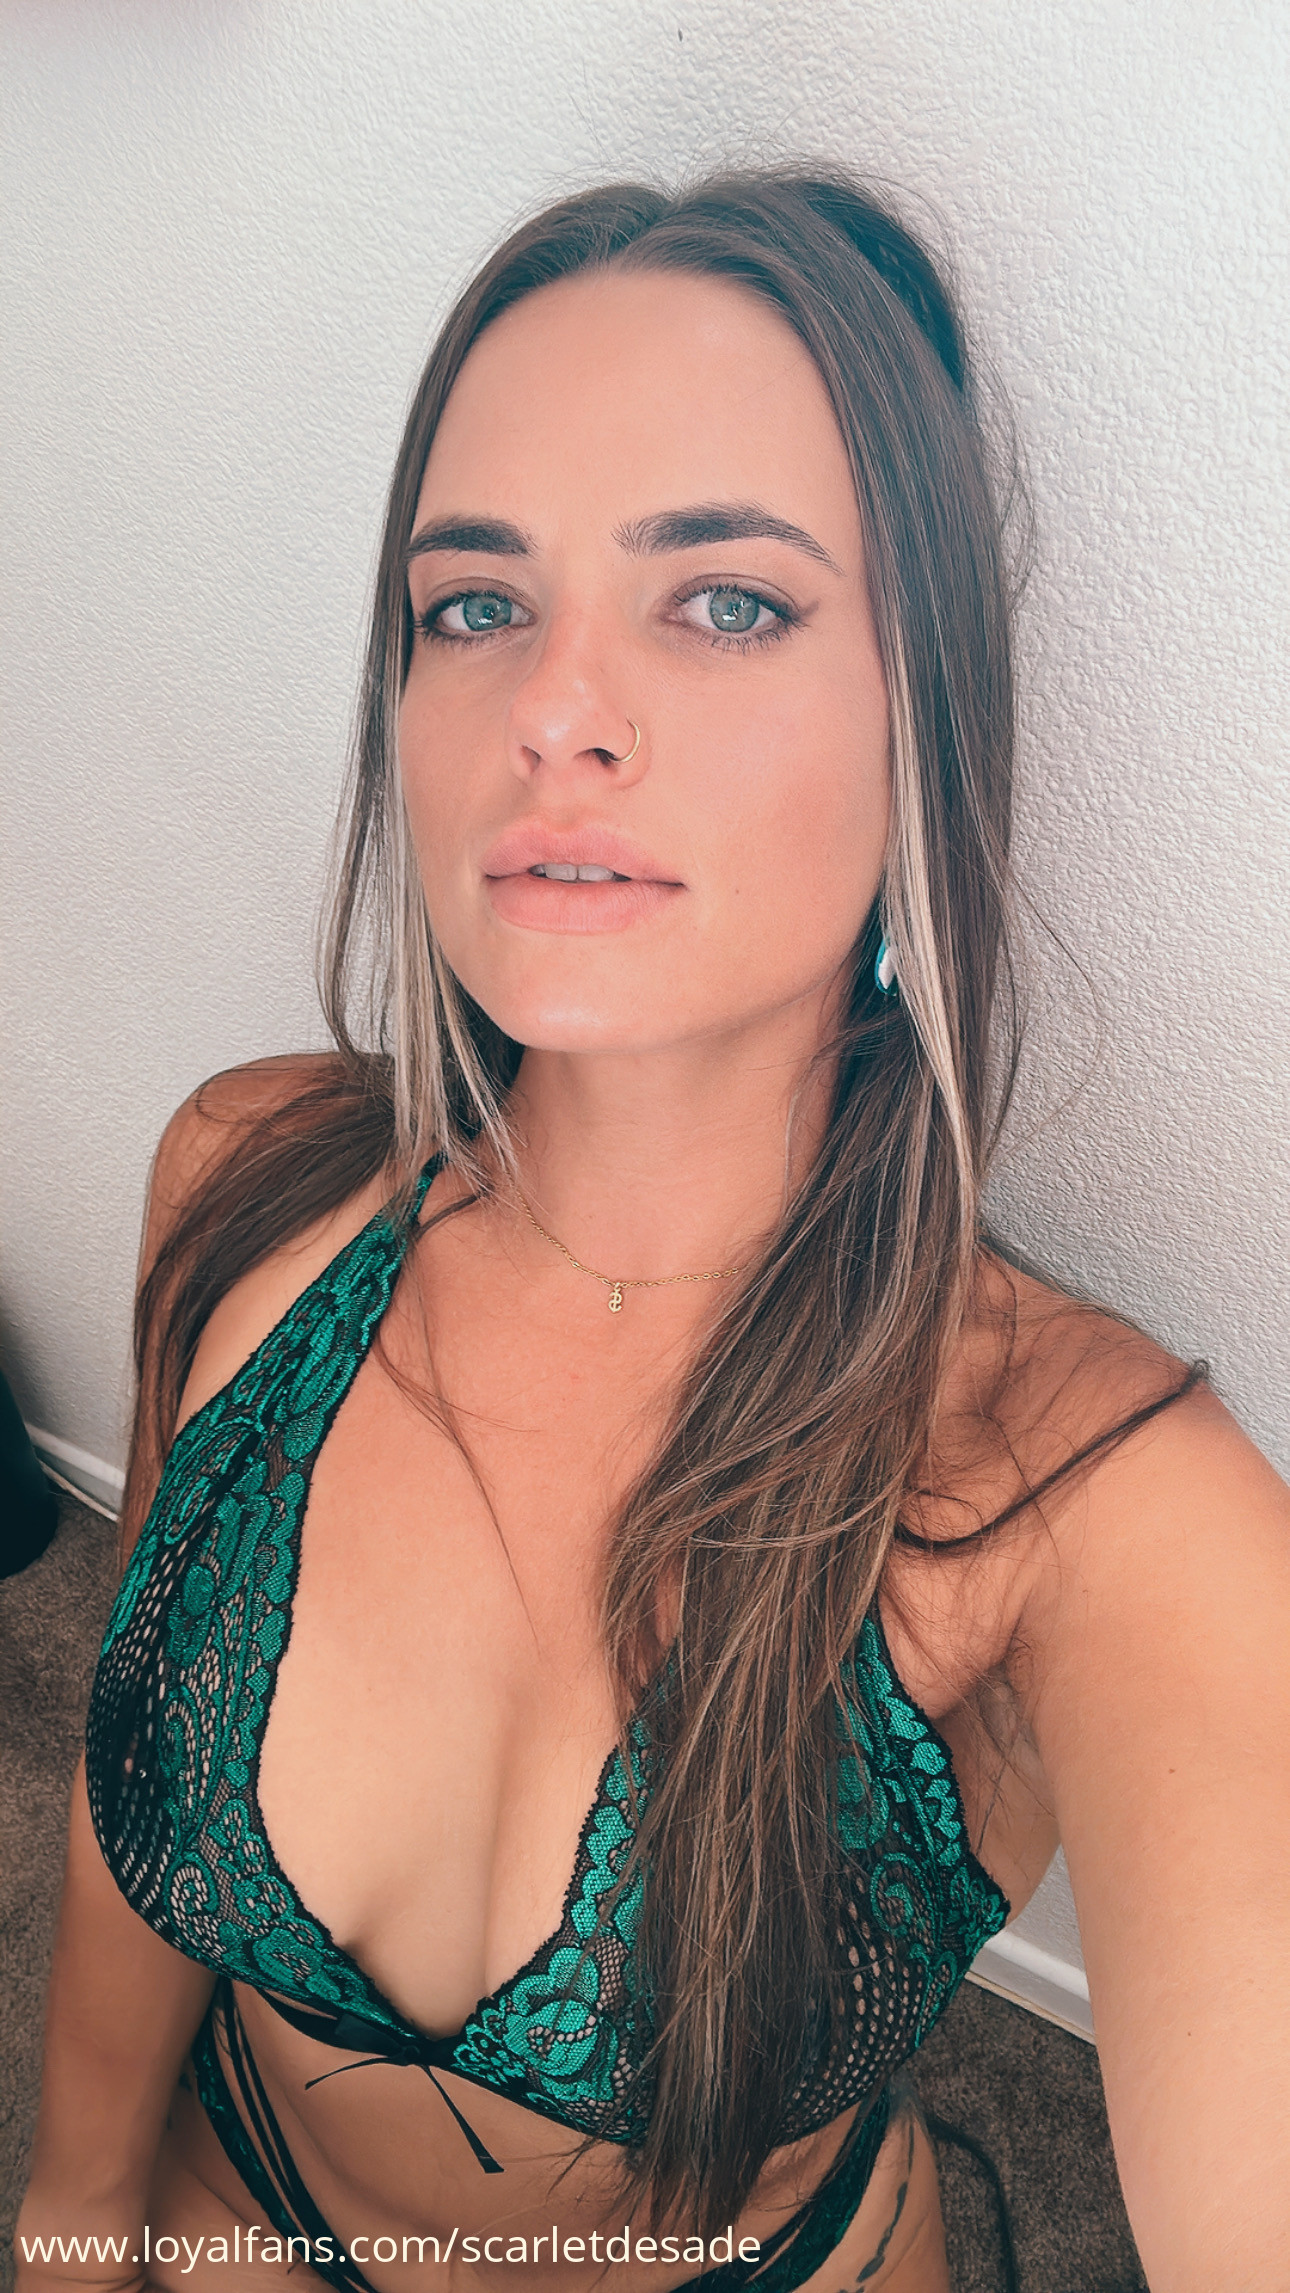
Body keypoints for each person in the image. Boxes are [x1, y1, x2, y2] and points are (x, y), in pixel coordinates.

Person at [15, 169, 1290, 2293]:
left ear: (922, 713)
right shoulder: (246, 1184)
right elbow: (132, 1764)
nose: (553, 707)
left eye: (725, 601)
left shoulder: (1095, 1512)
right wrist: (68, 2213)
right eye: (473, 604)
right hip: (231, 2214)